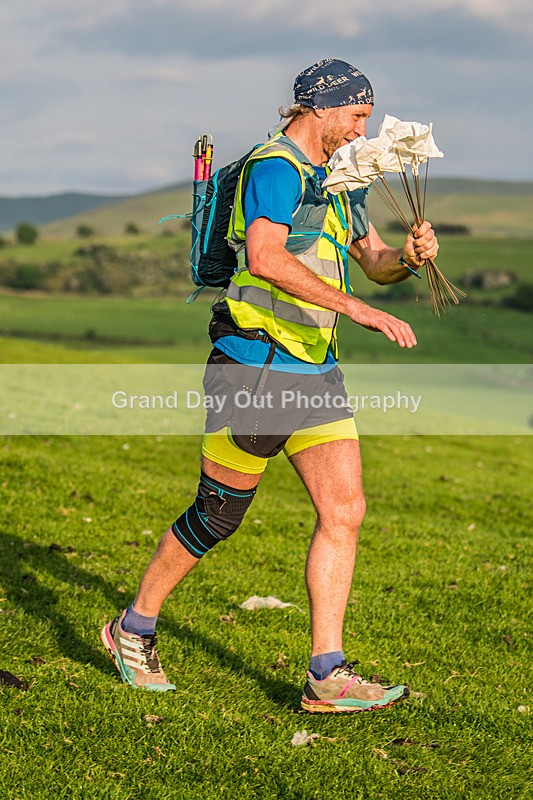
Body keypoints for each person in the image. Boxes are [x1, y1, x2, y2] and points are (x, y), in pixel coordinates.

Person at [101, 58, 439, 713]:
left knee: (344, 511)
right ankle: (131, 628)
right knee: (217, 514)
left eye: (367, 117)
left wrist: (405, 258)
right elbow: (265, 257)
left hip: (314, 370)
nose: (362, 128)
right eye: (356, 115)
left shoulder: (345, 180)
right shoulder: (275, 168)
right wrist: (357, 310)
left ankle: (325, 675)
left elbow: (370, 262)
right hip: (253, 365)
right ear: (319, 108)